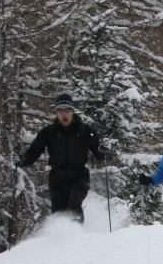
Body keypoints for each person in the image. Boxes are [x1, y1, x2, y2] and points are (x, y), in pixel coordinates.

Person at [15, 93, 110, 223]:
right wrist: (21, 160)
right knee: (58, 210)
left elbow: (99, 154)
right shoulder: (48, 132)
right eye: (60, 110)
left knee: (74, 202)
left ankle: (77, 234)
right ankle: (59, 237)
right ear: (56, 112)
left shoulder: (85, 130)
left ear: (72, 111)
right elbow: (33, 152)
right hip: (57, 177)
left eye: (67, 110)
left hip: (79, 175)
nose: (64, 113)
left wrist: (103, 148)